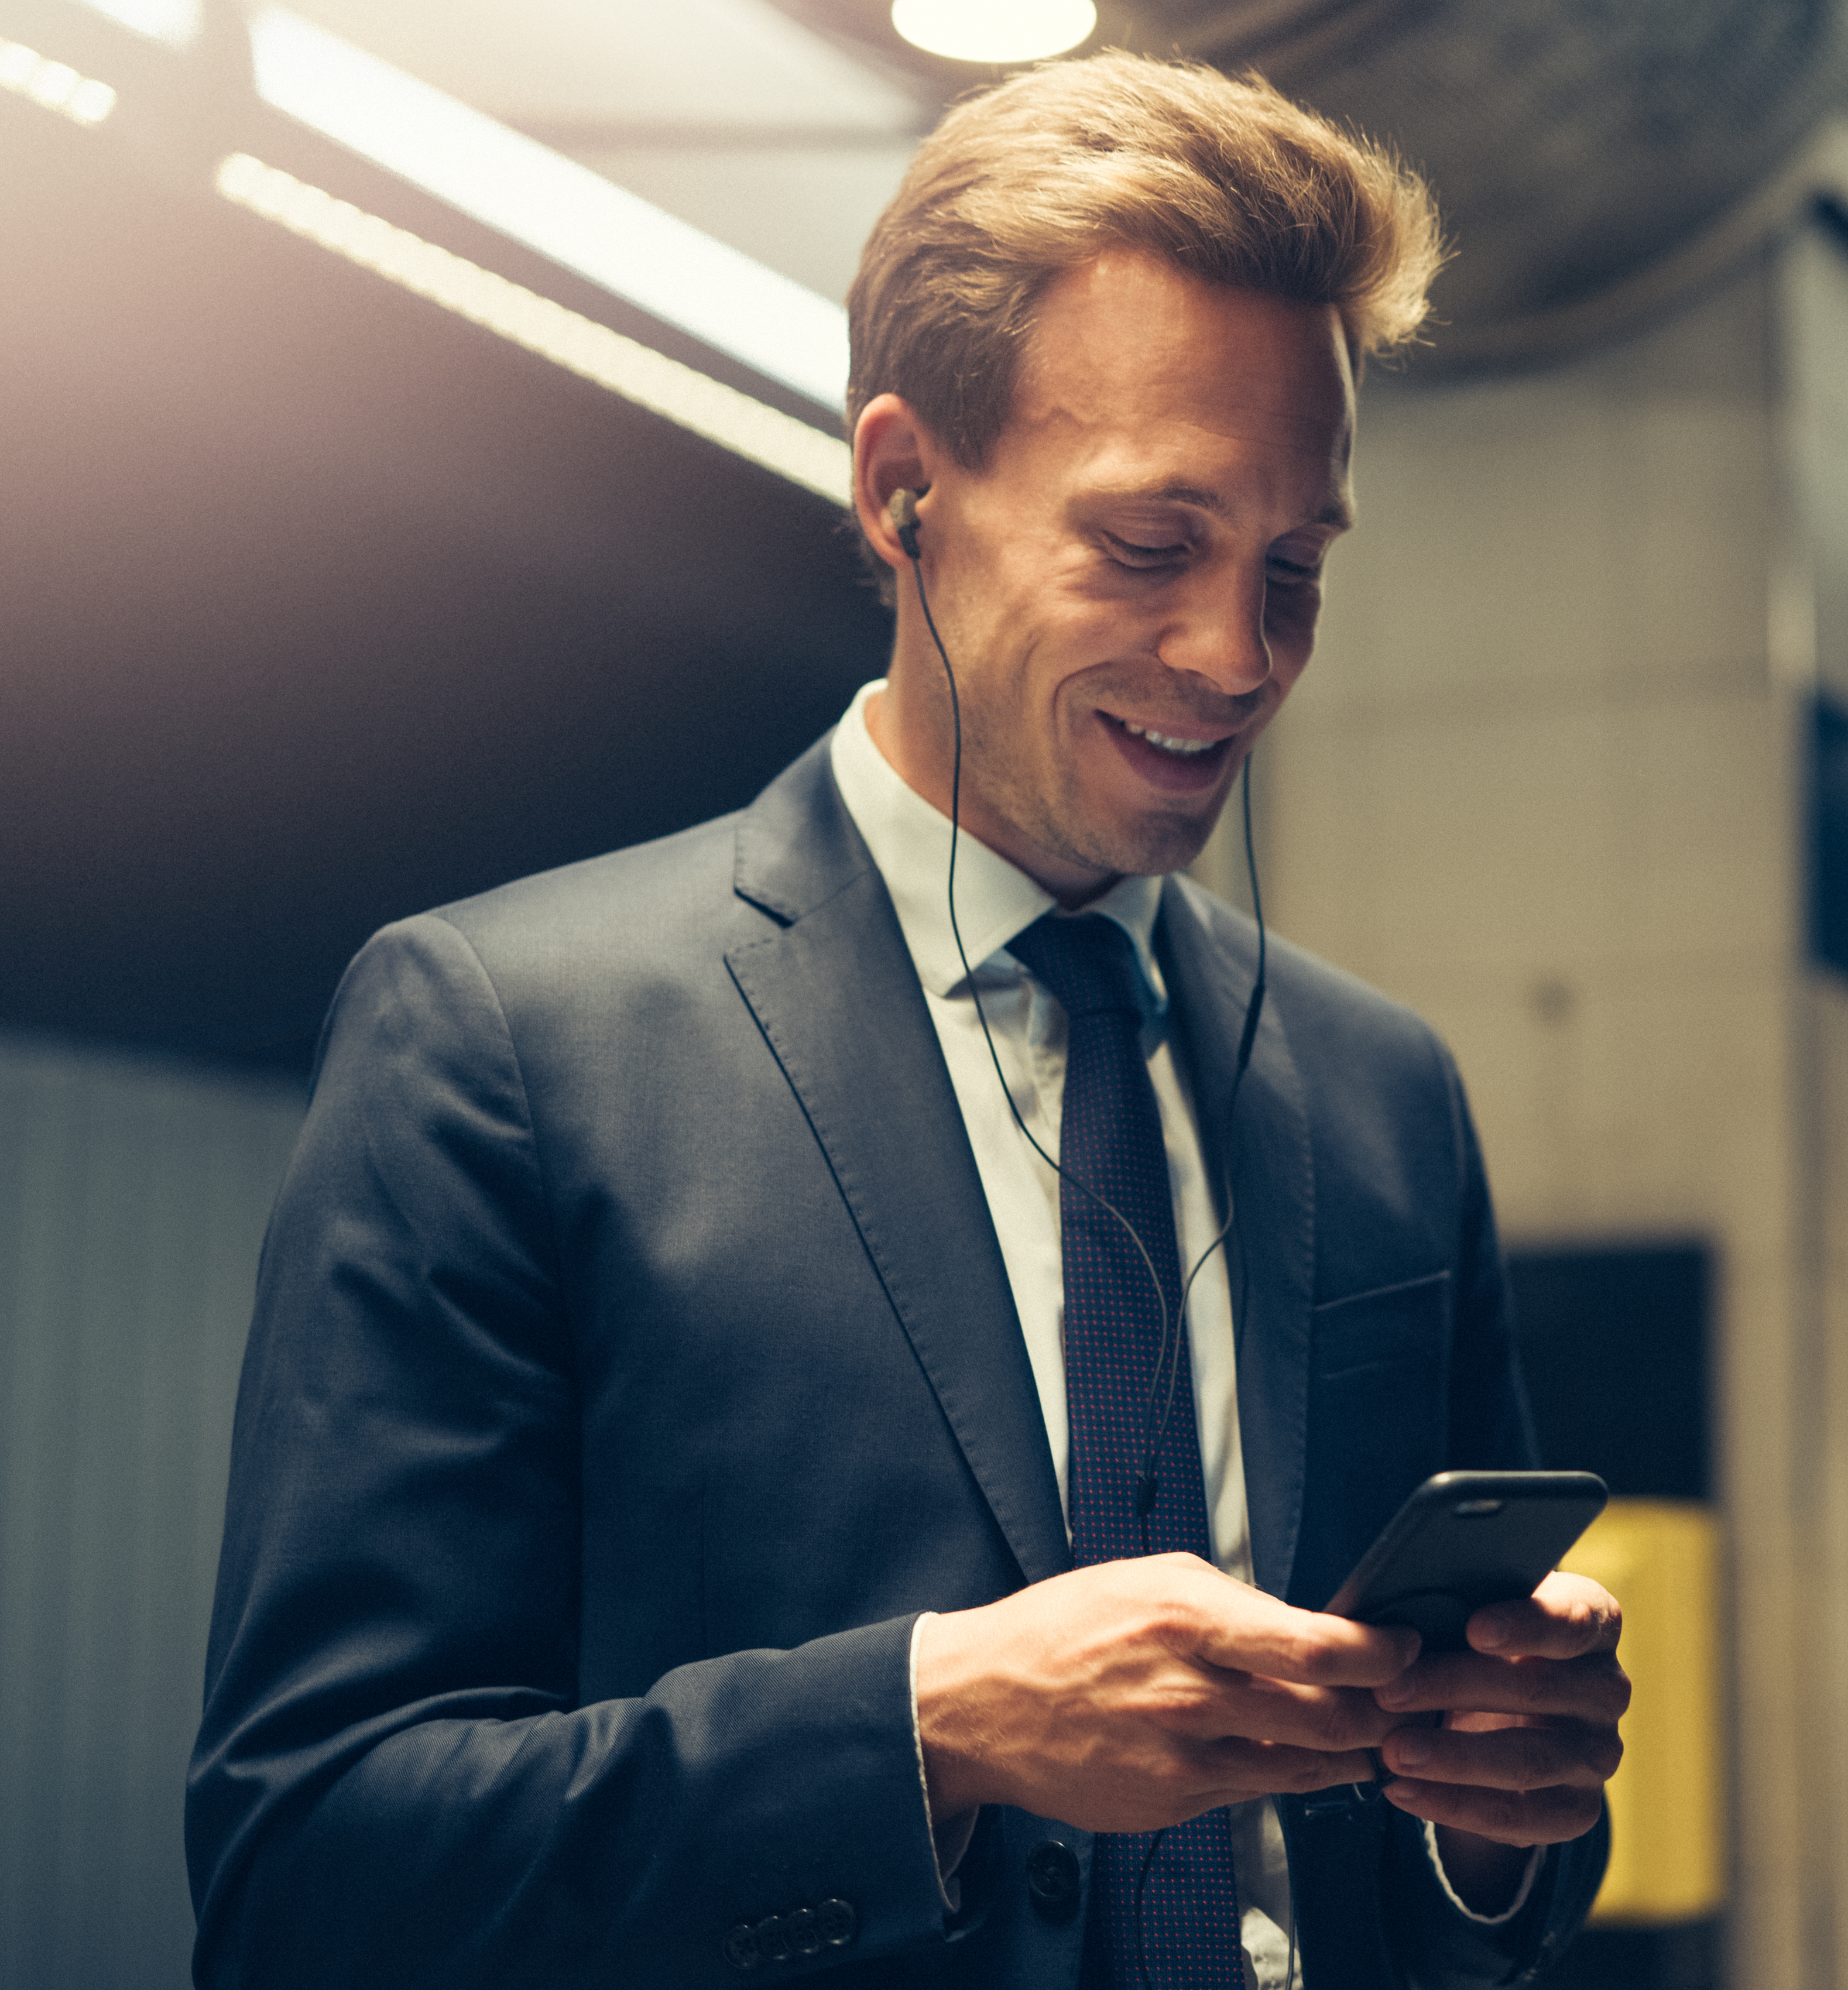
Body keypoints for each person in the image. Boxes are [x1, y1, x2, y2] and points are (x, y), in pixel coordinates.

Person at [187, 53, 1623, 1990]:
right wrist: (928, 1730)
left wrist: (1495, 1821)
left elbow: (1445, 1900)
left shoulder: (1375, 1094)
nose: (1238, 657)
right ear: (898, 493)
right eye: (1149, 546)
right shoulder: (505, 1041)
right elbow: (310, 1876)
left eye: (1294, 570)